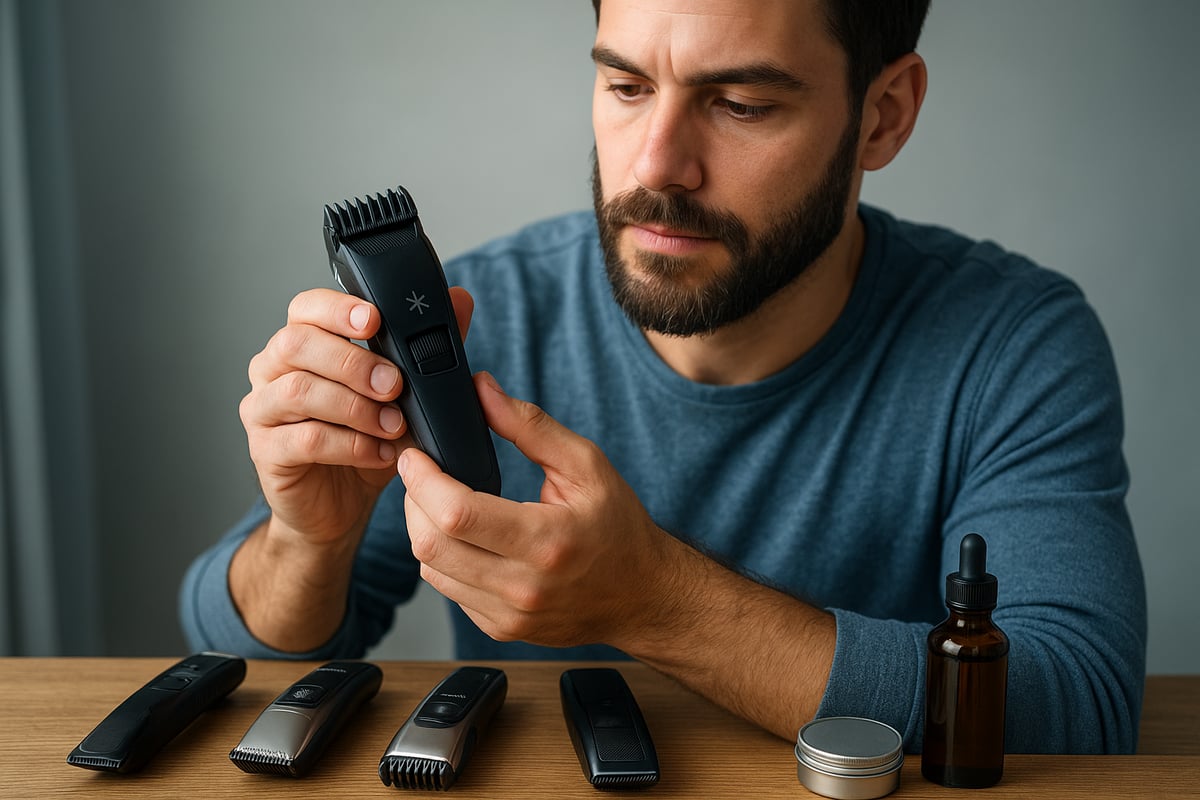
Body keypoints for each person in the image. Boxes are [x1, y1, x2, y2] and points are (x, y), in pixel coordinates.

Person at [181, 0, 1146, 754]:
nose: (656, 165)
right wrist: (309, 542)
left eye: (742, 104)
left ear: (881, 116)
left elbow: (1078, 708)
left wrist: (653, 602)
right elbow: (236, 664)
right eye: (627, 85)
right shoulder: (480, 316)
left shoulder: (1013, 343)